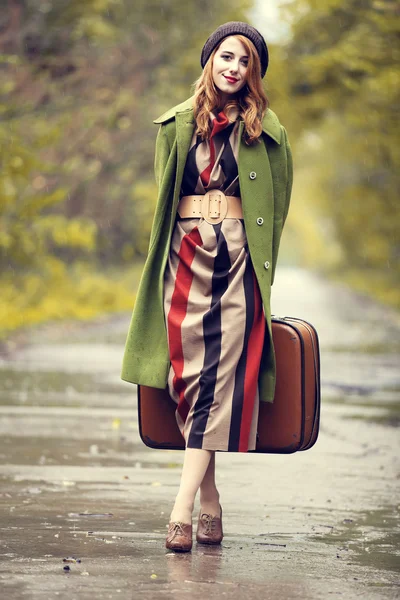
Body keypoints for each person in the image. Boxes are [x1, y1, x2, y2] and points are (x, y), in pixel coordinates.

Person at [121, 22, 293, 552]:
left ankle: (180, 509)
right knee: (191, 381)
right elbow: (163, 195)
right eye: (227, 57)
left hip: (237, 262)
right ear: (210, 62)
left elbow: (278, 205)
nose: (234, 68)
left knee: (221, 379)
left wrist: (250, 248)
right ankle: (211, 499)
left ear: (253, 72)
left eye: (245, 61)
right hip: (185, 258)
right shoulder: (175, 125)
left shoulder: (268, 132)